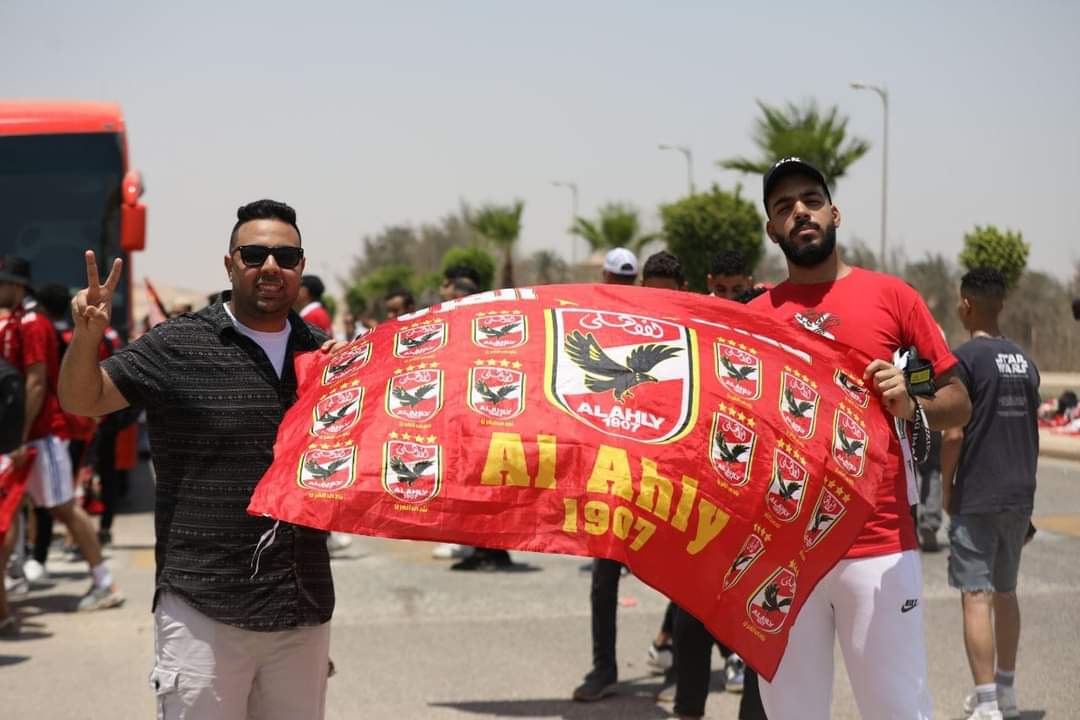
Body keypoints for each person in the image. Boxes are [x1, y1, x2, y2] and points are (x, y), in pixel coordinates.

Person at [59, 200, 337, 719]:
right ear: (229, 264)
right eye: (254, 255)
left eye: (285, 257)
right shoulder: (177, 343)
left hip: (300, 606)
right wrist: (87, 337)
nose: (270, 267)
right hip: (204, 606)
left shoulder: (324, 354)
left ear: (301, 266)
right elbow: (83, 399)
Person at [748, 158, 971, 719]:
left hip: (877, 546)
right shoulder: (752, 319)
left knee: (897, 710)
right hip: (782, 554)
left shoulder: (893, 299)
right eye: (784, 207)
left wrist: (911, 402)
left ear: (834, 212)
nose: (800, 212)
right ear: (773, 230)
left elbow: (957, 400)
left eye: (811, 199)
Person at [659, 248, 766, 720]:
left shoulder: (767, 329)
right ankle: (688, 710)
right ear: (708, 284)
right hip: (703, 495)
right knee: (690, 618)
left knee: (758, 620)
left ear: (751, 283)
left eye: (736, 289)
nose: (727, 298)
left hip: (756, 501)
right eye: (719, 289)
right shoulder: (694, 330)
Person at [0, 256, 123, 616]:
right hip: (26, 437)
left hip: (42, 435)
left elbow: (36, 383)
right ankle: (8, 591)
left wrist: (18, 437)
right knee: (10, 511)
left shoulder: (33, 324)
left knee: (64, 508)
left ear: (16, 286)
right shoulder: (17, 321)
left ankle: (104, 582)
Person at [942, 267, 1040, 720]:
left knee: (976, 596)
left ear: (966, 305)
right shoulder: (1025, 361)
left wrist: (947, 489)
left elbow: (953, 434)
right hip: (1019, 495)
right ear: (1001, 303)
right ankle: (1006, 692)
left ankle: (986, 704)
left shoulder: (963, 360)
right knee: (1006, 592)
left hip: (979, 493)